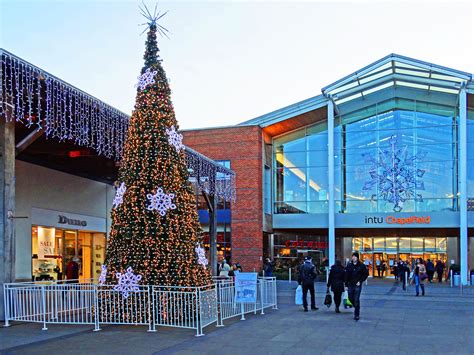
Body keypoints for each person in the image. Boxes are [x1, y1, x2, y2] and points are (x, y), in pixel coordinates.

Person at [345, 252, 369, 321]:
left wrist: (361, 281)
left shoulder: (361, 265)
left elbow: (366, 274)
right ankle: (356, 307)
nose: (353, 258)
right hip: (350, 284)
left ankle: (356, 314)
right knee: (350, 298)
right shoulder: (349, 265)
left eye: (355, 257)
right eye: (353, 256)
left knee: (356, 299)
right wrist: (346, 284)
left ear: (357, 258)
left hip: (357, 285)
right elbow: (346, 275)